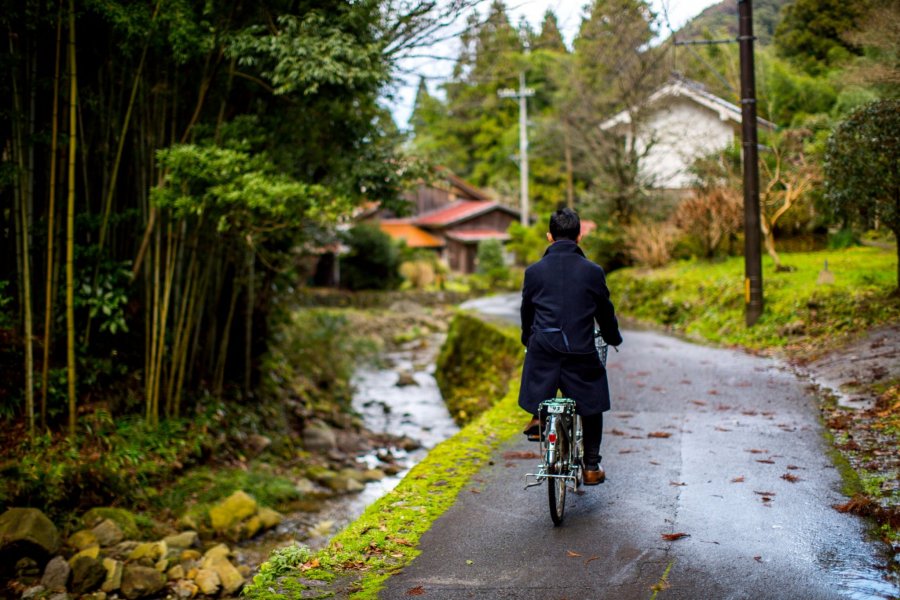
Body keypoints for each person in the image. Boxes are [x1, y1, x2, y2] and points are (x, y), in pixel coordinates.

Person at [518, 207, 623, 485]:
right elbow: (604, 312)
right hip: (580, 350)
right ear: (579, 236)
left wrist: (527, 337)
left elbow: (527, 311)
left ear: (549, 236)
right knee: (591, 401)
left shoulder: (534, 272)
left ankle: (539, 417)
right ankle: (590, 466)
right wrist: (613, 337)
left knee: (540, 372)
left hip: (544, 348)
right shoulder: (593, 272)